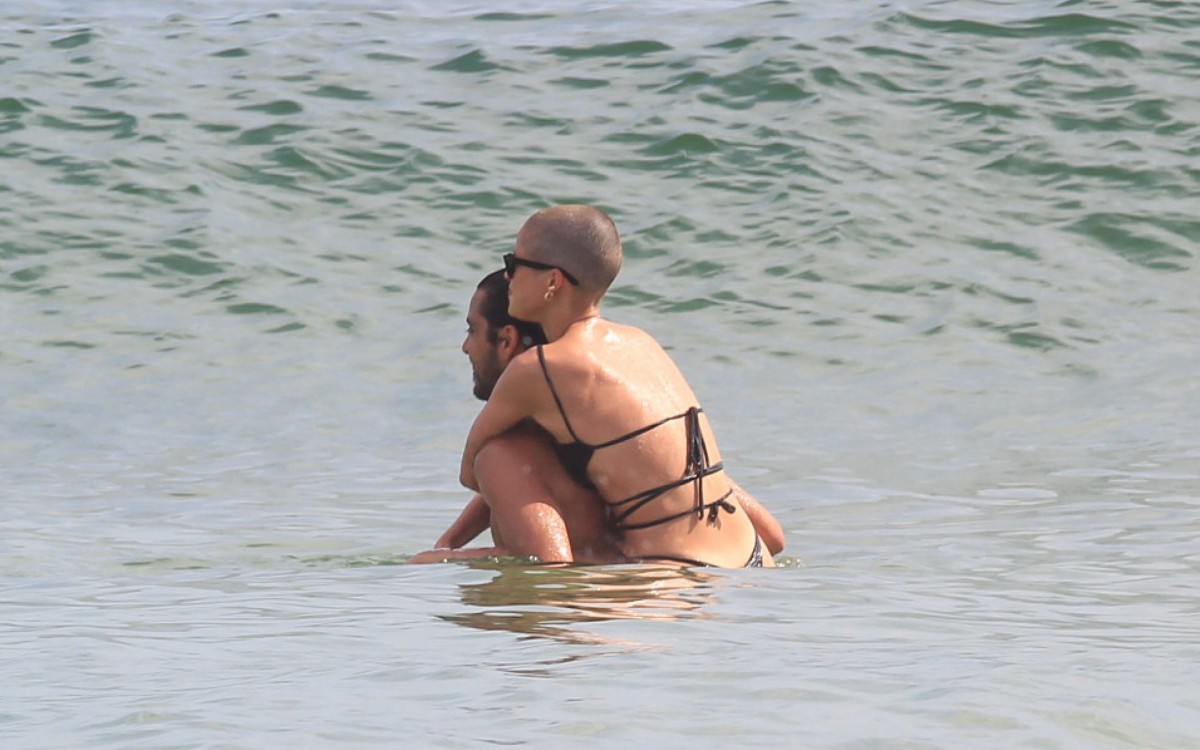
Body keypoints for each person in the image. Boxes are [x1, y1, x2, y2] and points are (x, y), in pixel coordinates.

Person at [460, 205, 784, 568]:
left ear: (553, 281)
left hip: (681, 575)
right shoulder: (640, 342)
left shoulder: (540, 369)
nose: (507, 277)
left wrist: (443, 555)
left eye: (514, 263)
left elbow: (473, 469)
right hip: (754, 556)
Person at [411, 270, 622, 564]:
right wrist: (449, 542)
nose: (465, 347)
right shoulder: (560, 421)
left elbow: (551, 563)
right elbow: (520, 488)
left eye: (472, 330)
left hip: (576, 601)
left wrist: (439, 561)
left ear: (506, 341)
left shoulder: (503, 453)